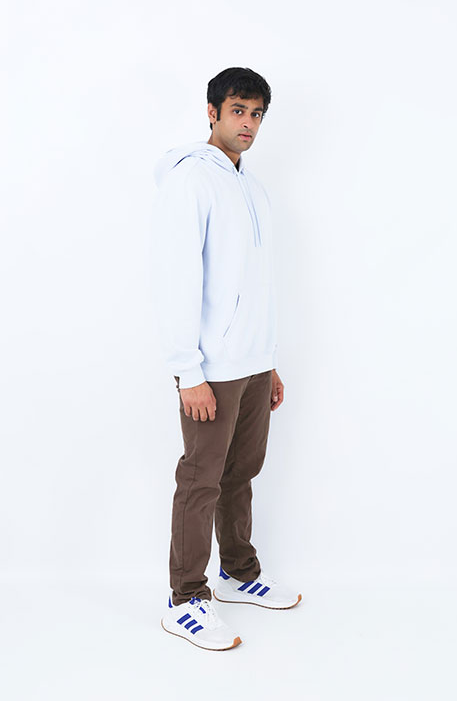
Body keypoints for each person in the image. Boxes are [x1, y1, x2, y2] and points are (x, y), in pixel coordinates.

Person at [149, 67, 301, 651]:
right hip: (209, 369)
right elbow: (176, 280)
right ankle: (185, 598)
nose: (248, 124)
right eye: (238, 110)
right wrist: (187, 371)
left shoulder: (251, 186)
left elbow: (253, 284)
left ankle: (238, 573)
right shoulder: (192, 180)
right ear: (212, 112)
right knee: (201, 479)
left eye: (257, 114)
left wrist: (267, 360)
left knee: (242, 472)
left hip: (252, 363)